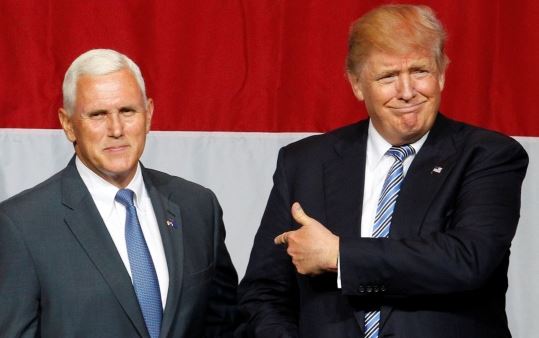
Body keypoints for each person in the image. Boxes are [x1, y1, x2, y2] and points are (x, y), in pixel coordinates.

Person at [237, 4, 528, 338]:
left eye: (420, 71)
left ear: (443, 72)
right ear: (357, 84)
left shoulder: (488, 155)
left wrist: (339, 254)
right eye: (388, 76)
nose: (407, 92)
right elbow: (263, 292)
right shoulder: (304, 163)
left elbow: (468, 259)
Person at [0, 49, 238, 337]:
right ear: (67, 124)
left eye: (127, 111)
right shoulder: (21, 225)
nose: (116, 129)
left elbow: (225, 326)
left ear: (148, 114)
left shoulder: (197, 206)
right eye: (98, 115)